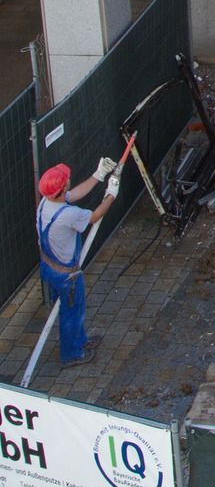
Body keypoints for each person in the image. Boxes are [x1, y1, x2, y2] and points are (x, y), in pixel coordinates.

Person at [35, 156, 121, 368]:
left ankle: (79, 341)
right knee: (72, 312)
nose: (69, 180)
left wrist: (98, 176)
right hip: (67, 276)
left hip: (49, 267)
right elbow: (94, 216)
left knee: (67, 308)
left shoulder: (46, 203)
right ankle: (72, 354)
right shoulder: (70, 215)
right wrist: (111, 195)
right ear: (63, 187)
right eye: (67, 180)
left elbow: (75, 194)